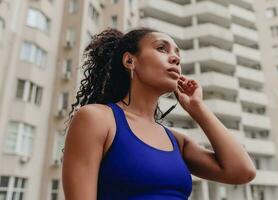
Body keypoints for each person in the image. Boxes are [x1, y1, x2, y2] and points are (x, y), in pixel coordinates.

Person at [62, 27, 256, 200]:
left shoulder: (177, 142)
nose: (175, 58)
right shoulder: (96, 119)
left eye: (177, 54)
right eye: (162, 48)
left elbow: (242, 171)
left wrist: (198, 109)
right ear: (130, 60)